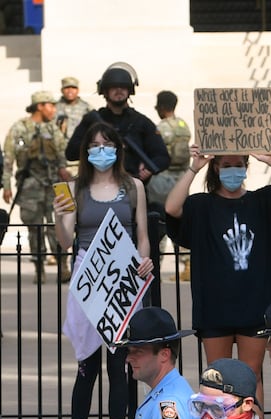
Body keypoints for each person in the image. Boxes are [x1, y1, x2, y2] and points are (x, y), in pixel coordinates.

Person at [165, 146, 271, 403]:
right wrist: (194, 167)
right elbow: (172, 207)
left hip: (255, 302)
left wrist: (268, 158)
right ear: (216, 168)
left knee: (252, 375)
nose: (233, 170)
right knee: (217, 376)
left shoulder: (262, 201)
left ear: (246, 167)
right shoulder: (201, 204)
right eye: (227, 165)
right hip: (215, 305)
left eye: (239, 164)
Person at [54, 121, 153, 419]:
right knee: (87, 365)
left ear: (117, 148)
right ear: (85, 151)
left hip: (123, 280)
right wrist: (61, 216)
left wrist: (145, 259)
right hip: (88, 279)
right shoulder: (73, 188)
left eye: (106, 144)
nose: (101, 150)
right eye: (94, 145)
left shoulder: (134, 187)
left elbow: (141, 232)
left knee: (119, 365)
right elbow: (66, 241)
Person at [2, 90, 70, 283]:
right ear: (40, 106)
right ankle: (39, 268)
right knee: (34, 228)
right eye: (50, 105)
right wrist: (6, 185)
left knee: (58, 226)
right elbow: (9, 158)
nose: (54, 109)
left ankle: (63, 266)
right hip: (30, 185)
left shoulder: (53, 129)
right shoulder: (20, 128)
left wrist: (65, 171)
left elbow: (63, 154)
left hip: (54, 185)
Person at [66, 63, 169, 186]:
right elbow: (71, 153)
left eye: (123, 87)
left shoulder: (141, 122)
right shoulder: (92, 120)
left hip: (132, 186)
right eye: (114, 87)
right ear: (104, 91)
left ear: (130, 91)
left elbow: (162, 157)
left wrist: (148, 168)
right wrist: (97, 147)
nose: (119, 90)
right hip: (97, 185)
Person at [147, 90, 192, 281]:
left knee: (158, 220)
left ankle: (155, 262)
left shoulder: (160, 128)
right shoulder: (183, 126)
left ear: (162, 107)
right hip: (182, 178)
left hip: (162, 179)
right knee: (180, 220)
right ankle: (188, 262)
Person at [56, 76, 92, 156]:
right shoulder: (54, 108)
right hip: (60, 152)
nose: (70, 91)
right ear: (62, 90)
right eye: (67, 88)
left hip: (81, 151)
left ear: (78, 90)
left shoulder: (87, 108)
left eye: (73, 88)